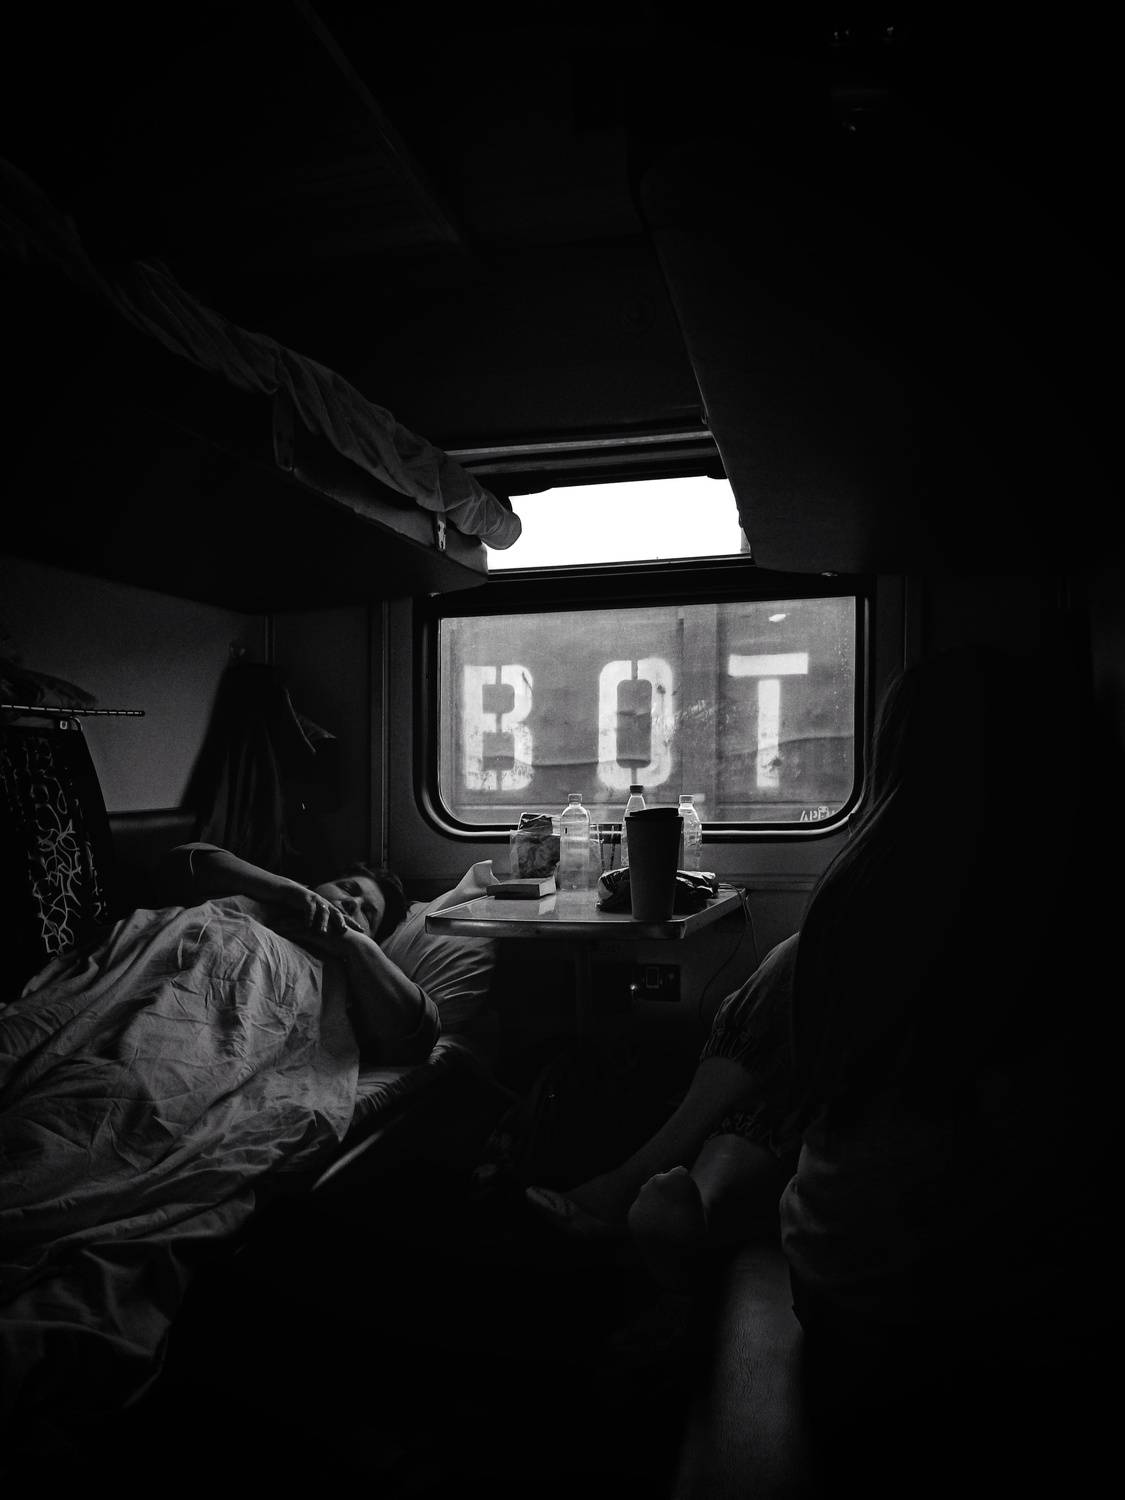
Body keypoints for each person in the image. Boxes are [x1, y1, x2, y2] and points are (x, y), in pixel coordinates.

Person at [527, 639, 1121, 1489]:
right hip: (1007, 1283)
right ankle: (673, 1200)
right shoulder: (1080, 909)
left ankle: (666, 1193)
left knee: (791, 1044)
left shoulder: (863, 903)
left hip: (852, 1285)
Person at [160, 842, 500, 1065]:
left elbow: (419, 1034)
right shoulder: (261, 898)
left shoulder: (349, 972)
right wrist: (286, 891)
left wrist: (354, 943)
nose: (352, 903)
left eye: (368, 913)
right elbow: (185, 860)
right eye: (348, 889)